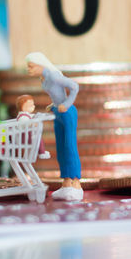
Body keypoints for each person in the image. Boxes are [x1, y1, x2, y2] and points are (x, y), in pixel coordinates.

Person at [25, 52, 83, 201]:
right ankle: (66, 183)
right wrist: (55, 105)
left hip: (68, 112)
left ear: (40, 65)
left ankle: (75, 183)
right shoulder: (43, 78)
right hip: (58, 112)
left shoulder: (53, 75)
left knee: (70, 146)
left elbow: (74, 87)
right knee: (61, 148)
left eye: (31, 66)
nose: (29, 69)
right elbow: (57, 94)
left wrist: (66, 104)